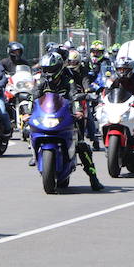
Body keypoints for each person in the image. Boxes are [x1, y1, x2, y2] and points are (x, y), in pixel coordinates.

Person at [32, 52, 104, 189]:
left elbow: (74, 96)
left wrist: (78, 111)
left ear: (58, 68)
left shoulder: (68, 81)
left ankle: (93, 178)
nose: (48, 73)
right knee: (28, 129)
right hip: (46, 117)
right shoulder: (41, 82)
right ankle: (35, 153)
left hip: (66, 116)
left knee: (81, 145)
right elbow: (33, 97)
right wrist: (27, 112)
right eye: (45, 69)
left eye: (51, 69)